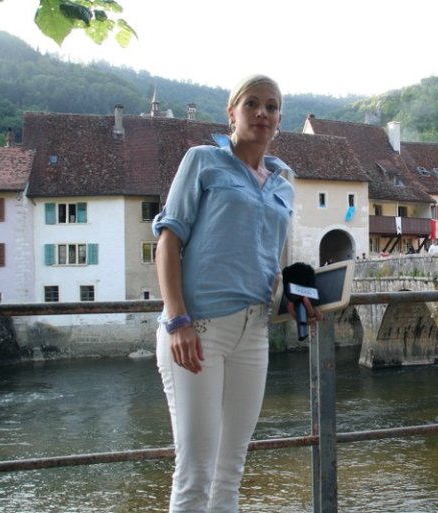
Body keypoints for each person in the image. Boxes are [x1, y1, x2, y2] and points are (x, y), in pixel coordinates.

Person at [153, 74, 302, 512]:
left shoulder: (283, 186)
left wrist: (294, 290)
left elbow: (269, 261)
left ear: (279, 120)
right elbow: (169, 240)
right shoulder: (203, 160)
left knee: (231, 467)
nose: (262, 113)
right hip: (198, 328)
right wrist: (177, 319)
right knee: (196, 468)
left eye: (271, 106)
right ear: (231, 112)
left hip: (253, 332)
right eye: (252, 103)